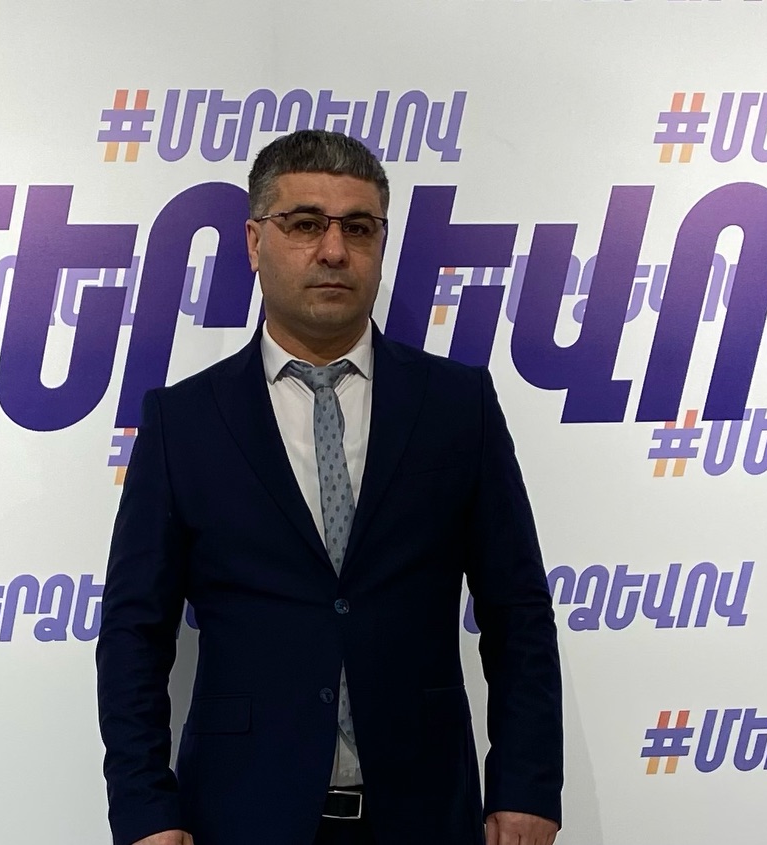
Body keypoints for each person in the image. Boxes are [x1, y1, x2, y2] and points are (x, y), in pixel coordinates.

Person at [96, 129, 562, 845]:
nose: (335, 250)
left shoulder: (456, 406)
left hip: (425, 814)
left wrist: (527, 785)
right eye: (306, 224)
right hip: (241, 815)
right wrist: (145, 810)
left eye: (359, 227)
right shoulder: (183, 422)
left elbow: (517, 610)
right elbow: (135, 631)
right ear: (255, 242)